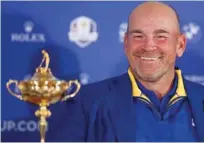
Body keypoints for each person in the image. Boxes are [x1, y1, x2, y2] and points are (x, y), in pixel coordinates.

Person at [2, 1, 204, 142]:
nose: (148, 46)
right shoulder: (85, 103)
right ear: (126, 44)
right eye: (138, 36)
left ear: (181, 44)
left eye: (161, 36)